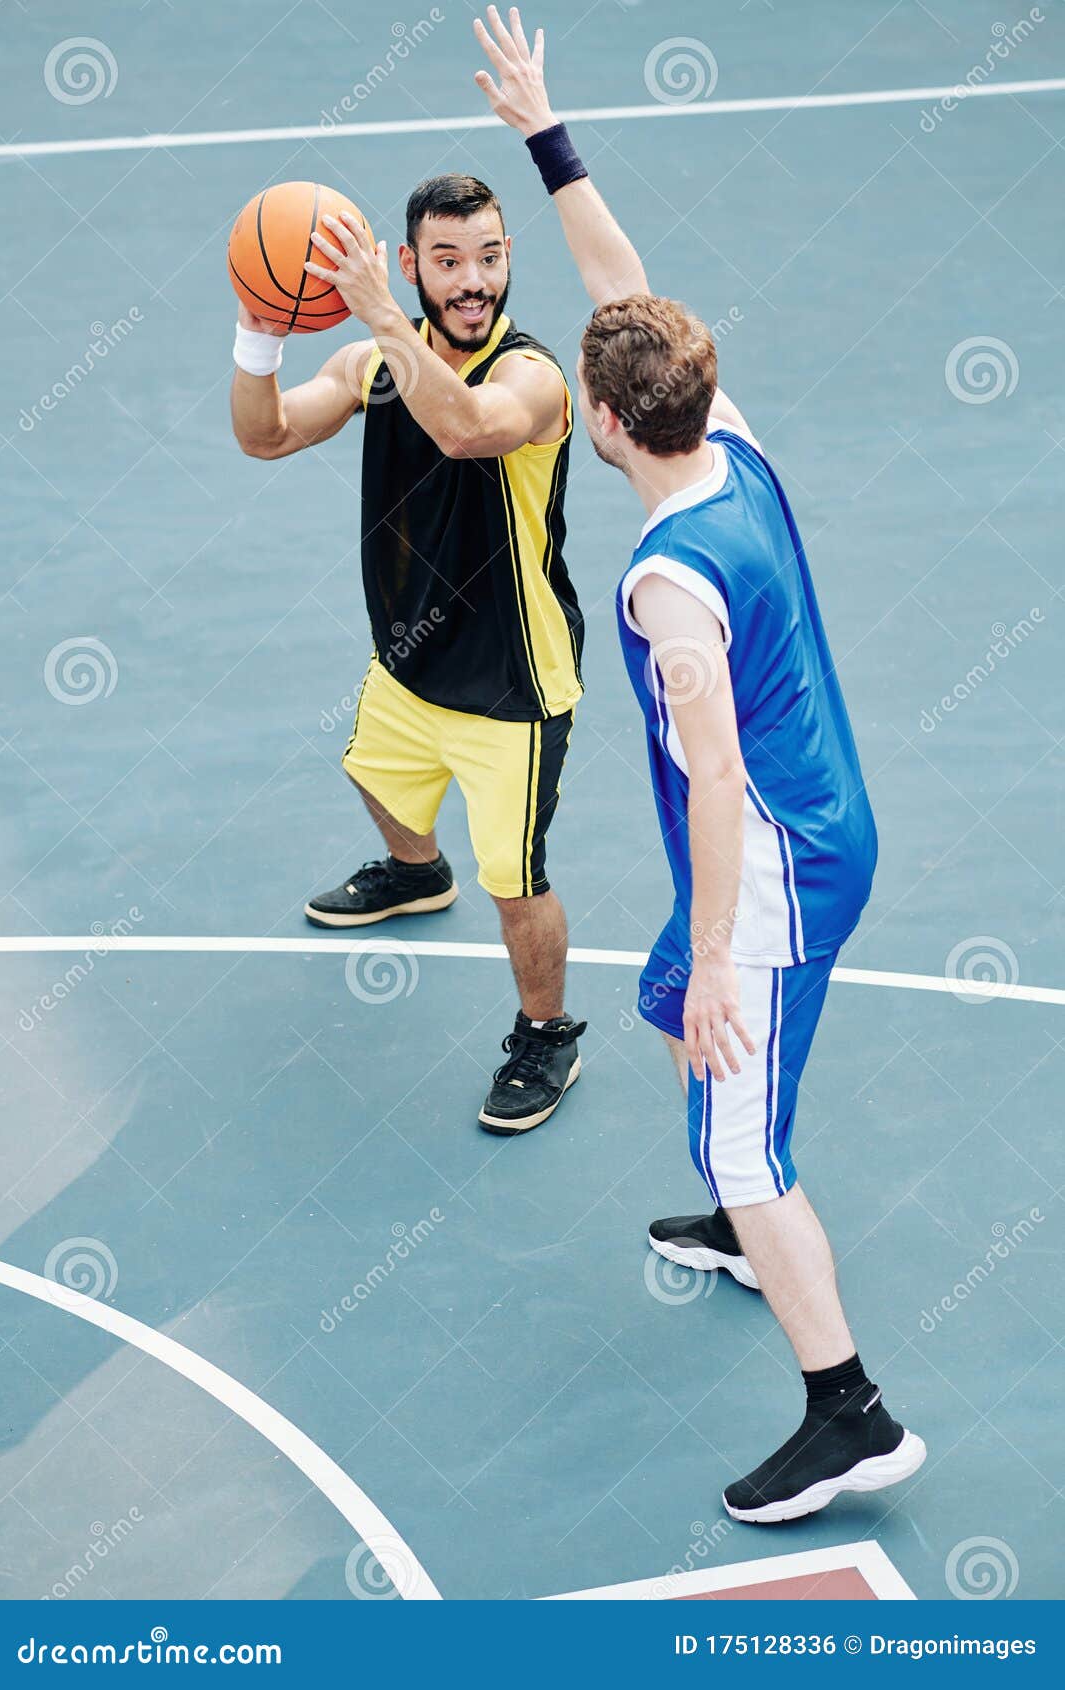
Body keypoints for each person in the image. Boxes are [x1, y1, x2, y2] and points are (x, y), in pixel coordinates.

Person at [473, 5, 926, 1521]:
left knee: (726, 1092)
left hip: (778, 860)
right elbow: (624, 284)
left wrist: (726, 955)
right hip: (828, 818)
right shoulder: (728, 437)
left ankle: (848, 1410)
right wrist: (547, 132)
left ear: (599, 421)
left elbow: (713, 777)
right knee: (665, 988)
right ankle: (745, 1218)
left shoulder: (671, 585)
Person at [230, 171, 585, 1135]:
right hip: (408, 659)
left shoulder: (535, 377)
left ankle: (548, 1032)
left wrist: (384, 319)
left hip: (512, 683)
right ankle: (419, 873)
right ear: (408, 265)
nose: (473, 281)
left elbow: (469, 430)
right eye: (448, 261)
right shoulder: (370, 366)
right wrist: (258, 333)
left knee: (516, 883)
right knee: (373, 773)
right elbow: (261, 437)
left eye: (490, 257)